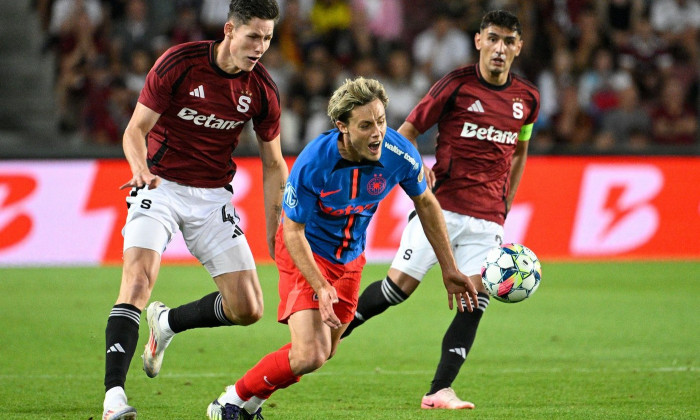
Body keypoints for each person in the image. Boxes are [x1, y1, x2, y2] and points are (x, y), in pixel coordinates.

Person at [204, 76, 480, 420]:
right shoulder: (315, 162)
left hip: (351, 258)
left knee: (326, 350)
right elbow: (292, 231)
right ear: (342, 127)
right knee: (309, 354)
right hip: (305, 252)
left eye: (380, 120)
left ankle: (249, 405)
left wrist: (450, 267)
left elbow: (426, 202)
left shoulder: (398, 152)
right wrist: (320, 285)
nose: (377, 132)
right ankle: (230, 402)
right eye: (366, 125)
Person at [341, 10, 540, 410]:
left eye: (509, 41)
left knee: (474, 300)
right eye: (493, 38)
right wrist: (416, 169)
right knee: (397, 290)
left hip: (488, 217)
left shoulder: (527, 100)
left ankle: (439, 390)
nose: (500, 48)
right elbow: (407, 132)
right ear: (479, 40)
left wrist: (508, 201)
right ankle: (325, 332)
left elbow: (520, 150)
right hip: (442, 208)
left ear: (519, 47)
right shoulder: (455, 85)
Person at [101, 1, 288, 419]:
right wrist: (139, 170)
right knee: (136, 283)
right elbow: (135, 130)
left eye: (268, 38)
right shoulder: (180, 63)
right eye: (254, 36)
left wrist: (277, 232)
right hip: (160, 186)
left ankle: (167, 324)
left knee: (249, 308)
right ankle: (114, 398)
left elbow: (275, 164)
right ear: (229, 30)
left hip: (213, 197)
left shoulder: (262, 89)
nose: (260, 47)